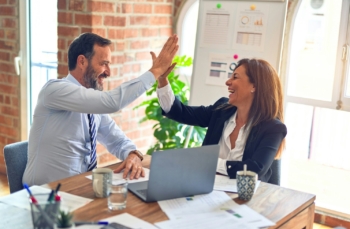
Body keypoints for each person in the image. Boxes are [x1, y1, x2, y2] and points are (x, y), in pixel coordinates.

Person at [23, 32, 178, 186]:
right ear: (82, 62)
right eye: (104, 64)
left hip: (79, 189)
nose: (108, 72)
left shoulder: (92, 105)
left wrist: (133, 154)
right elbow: (112, 102)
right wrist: (156, 71)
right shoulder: (55, 90)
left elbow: (116, 140)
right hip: (44, 195)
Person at [156, 58, 287, 182]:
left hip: (247, 198)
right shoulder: (221, 110)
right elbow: (179, 112)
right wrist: (162, 80)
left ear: (254, 86)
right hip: (207, 189)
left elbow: (254, 170)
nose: (228, 82)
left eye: (235, 77)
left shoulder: (273, 128)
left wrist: (209, 162)